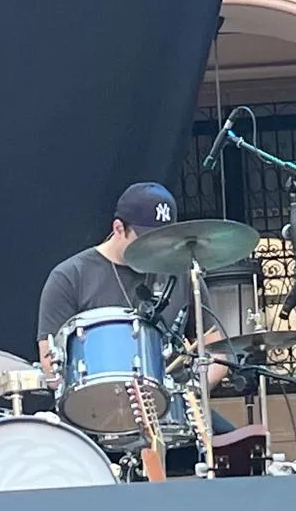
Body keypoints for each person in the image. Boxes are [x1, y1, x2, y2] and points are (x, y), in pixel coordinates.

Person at [37, 182, 237, 442]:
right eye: (145, 240)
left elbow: (217, 350)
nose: (154, 249)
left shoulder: (181, 274)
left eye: (162, 241)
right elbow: (49, 364)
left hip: (171, 411)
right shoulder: (70, 276)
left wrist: (190, 394)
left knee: (238, 451)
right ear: (118, 228)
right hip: (94, 413)